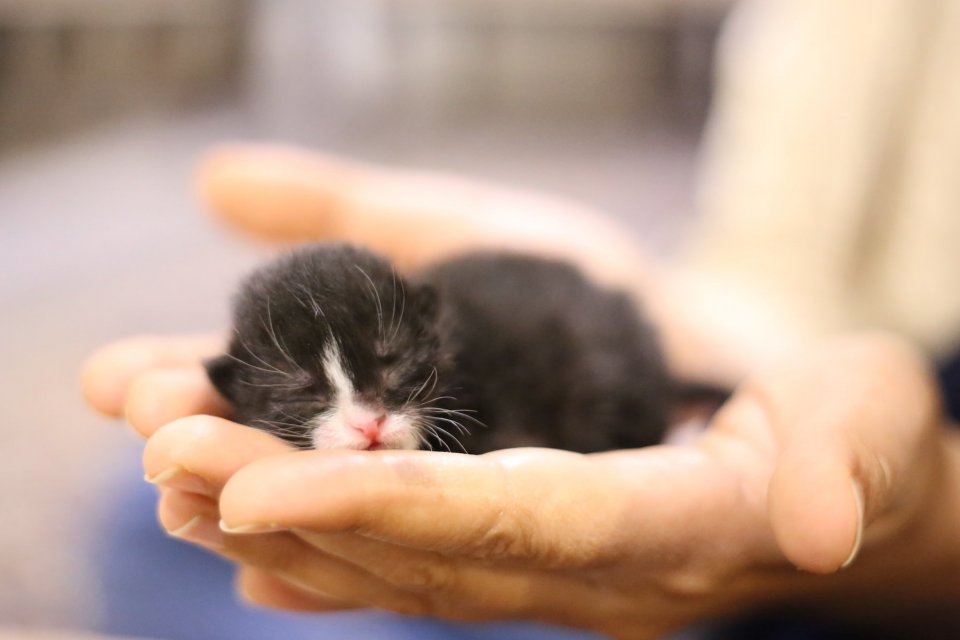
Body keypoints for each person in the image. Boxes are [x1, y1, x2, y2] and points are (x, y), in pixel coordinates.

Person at [82, 144, 960, 640]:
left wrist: (923, 519)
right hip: (744, 345)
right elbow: (773, 255)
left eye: (390, 378)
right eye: (310, 395)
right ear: (242, 393)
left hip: (812, 584)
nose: (370, 418)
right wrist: (737, 333)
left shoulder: (511, 359)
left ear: (434, 336)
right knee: (145, 507)